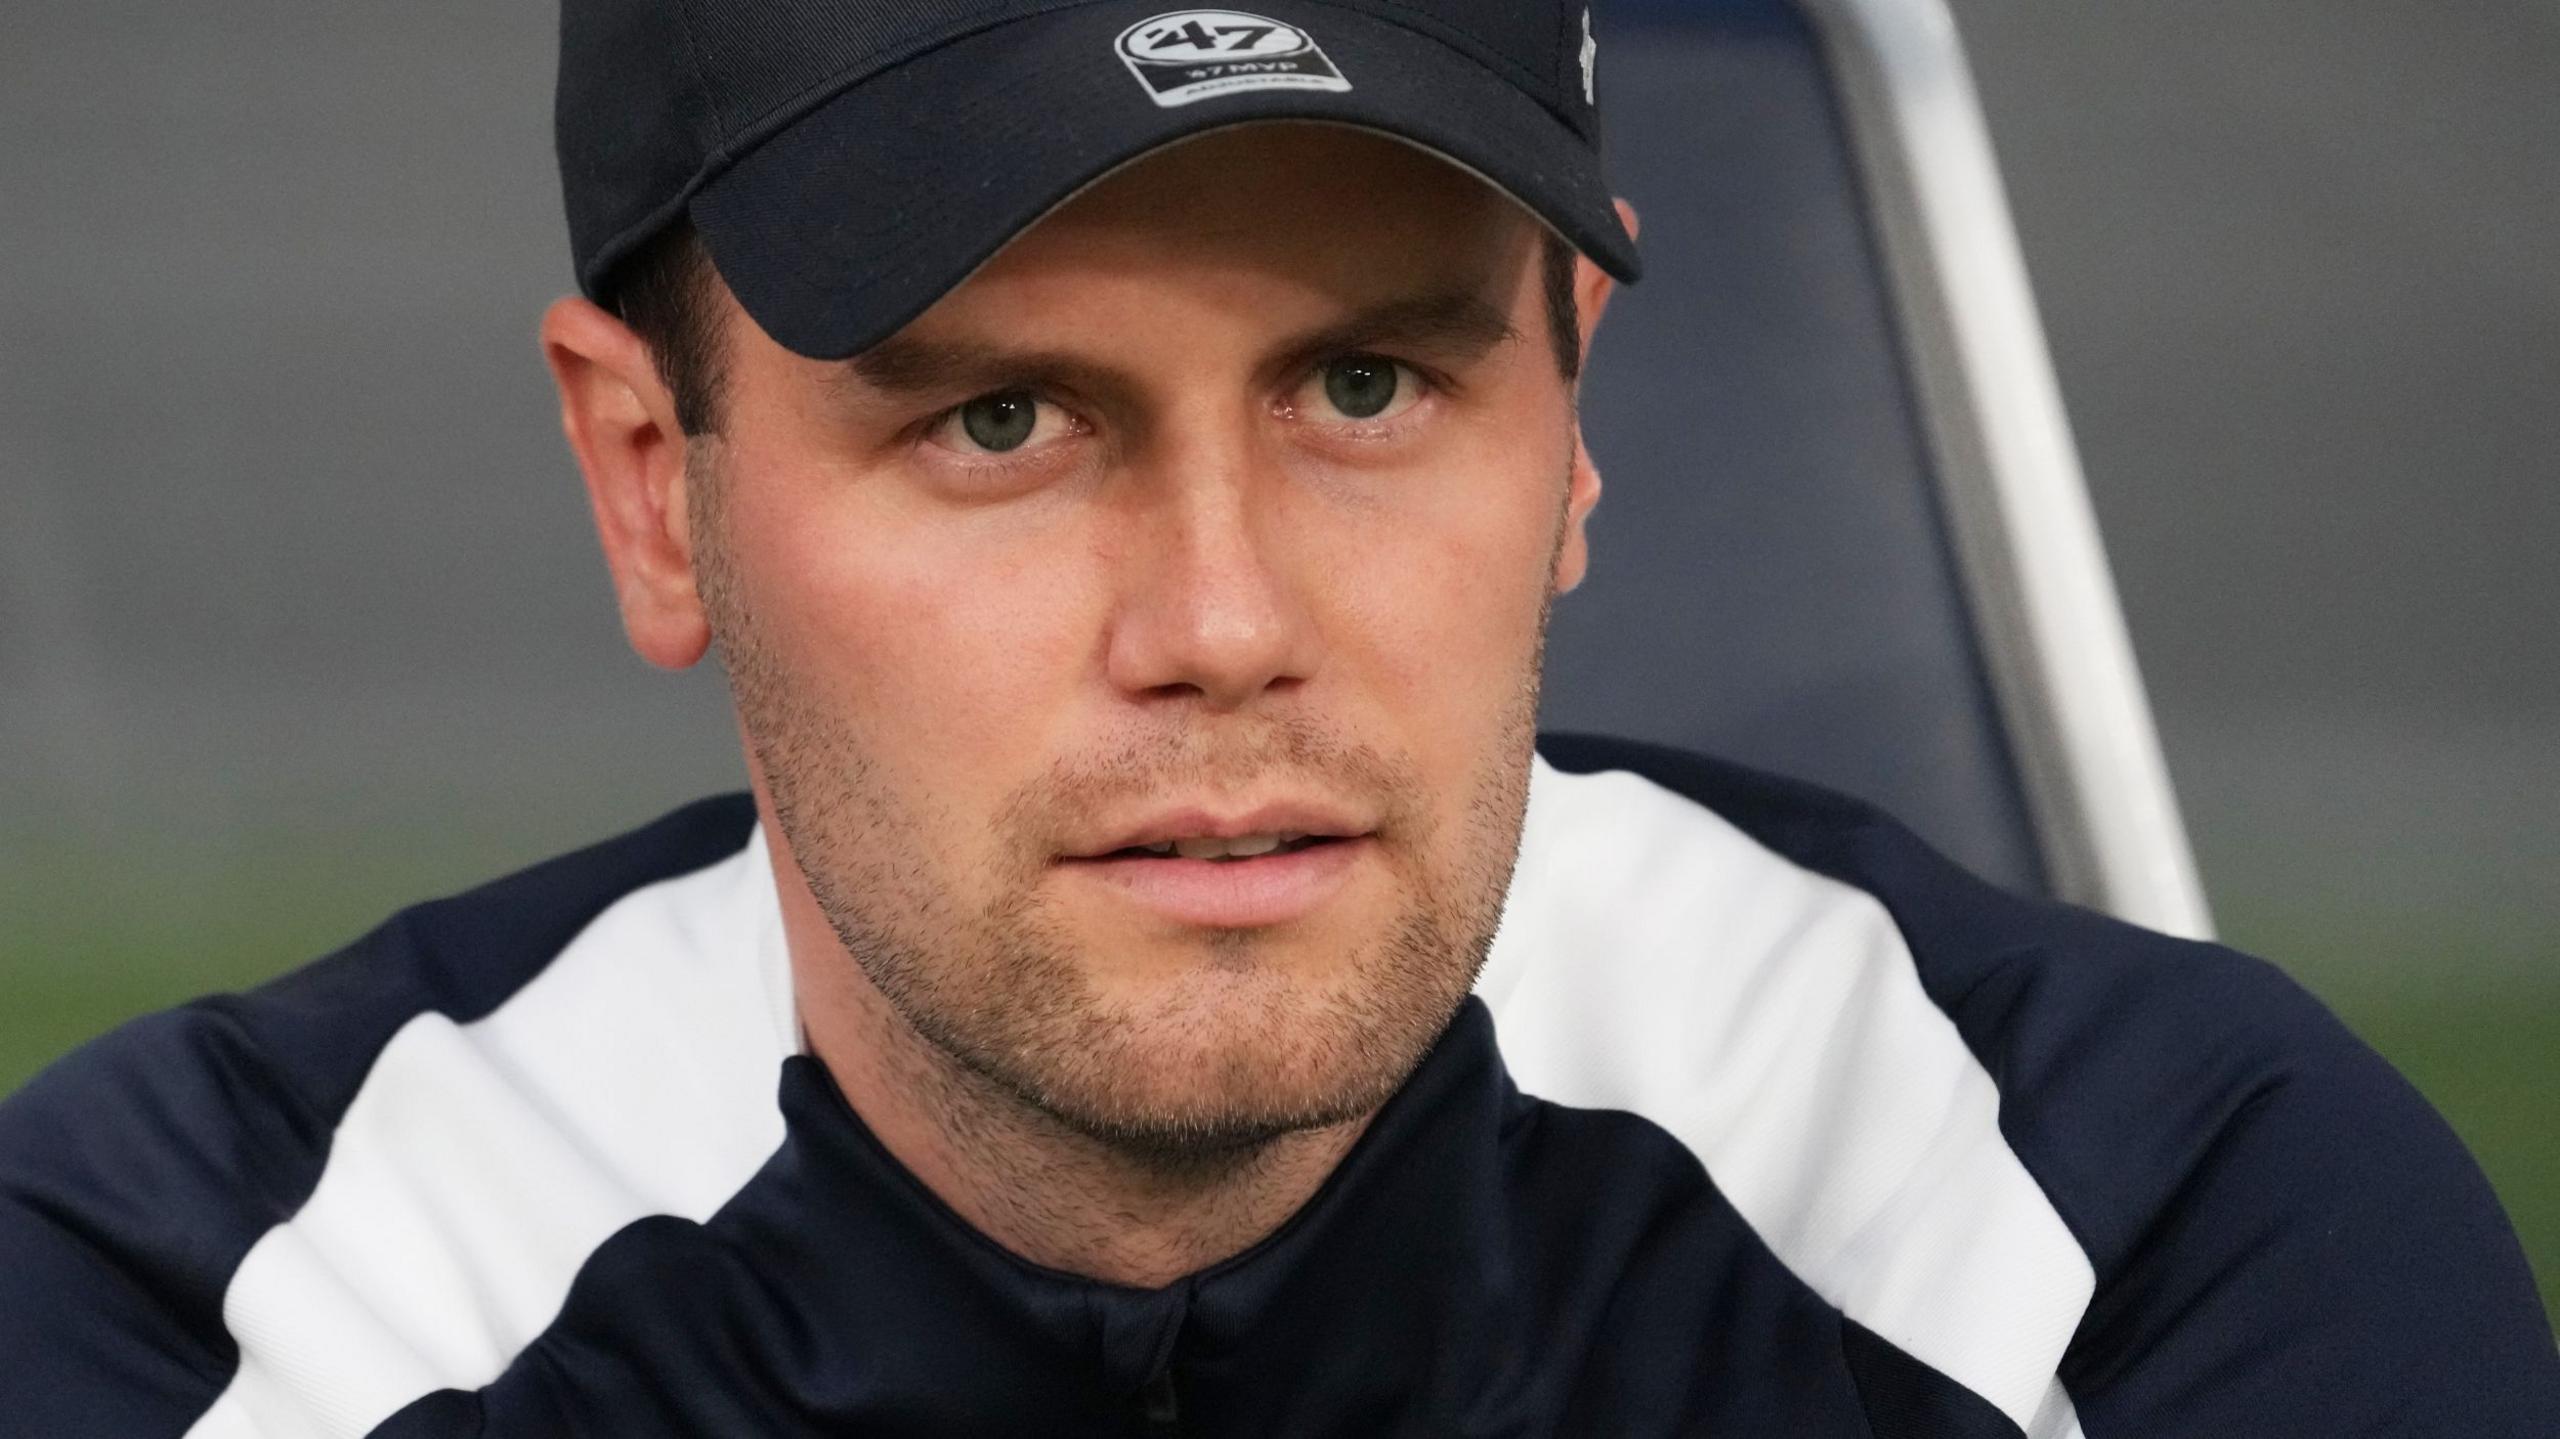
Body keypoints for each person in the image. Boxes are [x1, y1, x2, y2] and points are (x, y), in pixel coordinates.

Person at [1, 0, 2552, 1433]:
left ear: (1571, 415)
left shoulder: (2137, 1254)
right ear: (653, 480)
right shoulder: (219, 1321)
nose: (1220, 623)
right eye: (1000, 420)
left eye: (1362, 384)